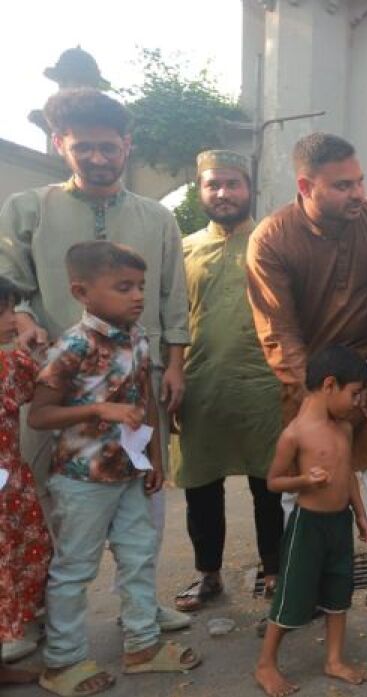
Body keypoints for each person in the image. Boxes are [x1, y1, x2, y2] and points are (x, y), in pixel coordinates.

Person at [0, 88, 192, 635]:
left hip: (137, 382)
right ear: (61, 144)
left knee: (145, 491)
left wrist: (175, 366)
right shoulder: (28, 209)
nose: (98, 158)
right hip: (55, 386)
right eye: (84, 147)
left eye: (109, 147)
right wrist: (25, 321)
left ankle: (141, 605)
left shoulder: (157, 218)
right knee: (46, 497)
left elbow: (172, 300)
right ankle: (35, 616)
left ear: (126, 145)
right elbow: (9, 289)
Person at [246, 133, 367, 634]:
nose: (357, 193)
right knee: (305, 490)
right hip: (310, 381)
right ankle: (300, 588)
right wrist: (322, 399)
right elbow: (278, 331)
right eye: (342, 185)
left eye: (360, 181)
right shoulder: (272, 238)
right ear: (306, 185)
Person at [29, 241, 202, 697]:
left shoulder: (137, 334)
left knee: (139, 554)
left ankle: (142, 646)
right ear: (82, 291)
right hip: (81, 480)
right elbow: (39, 415)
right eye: (123, 287)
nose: (137, 295)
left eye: (140, 286)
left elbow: (143, 399)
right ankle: (62, 662)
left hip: (130, 470)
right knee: (75, 569)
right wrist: (99, 409)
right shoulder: (73, 345)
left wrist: (155, 458)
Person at [173, 150, 284, 613]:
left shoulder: (273, 242)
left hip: (264, 387)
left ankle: (277, 572)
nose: (222, 193)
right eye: (212, 185)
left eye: (232, 184)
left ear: (248, 188)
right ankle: (208, 575)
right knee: (201, 486)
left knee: (270, 486)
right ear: (200, 192)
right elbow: (171, 318)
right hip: (200, 385)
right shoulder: (183, 249)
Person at [254, 345, 367, 697]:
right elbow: (274, 481)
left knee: (340, 591)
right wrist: (304, 481)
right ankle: (265, 664)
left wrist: (361, 515)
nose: (357, 402)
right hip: (308, 527)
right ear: (329, 385)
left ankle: (334, 659)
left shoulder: (345, 429)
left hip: (338, 525)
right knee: (293, 595)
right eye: (354, 394)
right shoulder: (295, 434)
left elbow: (348, 473)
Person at [0, 276, 51, 688]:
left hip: (10, 487)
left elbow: (46, 383)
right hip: (8, 486)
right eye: (5, 309)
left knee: (15, 568)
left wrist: (37, 353)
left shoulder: (11, 363)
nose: (11, 318)